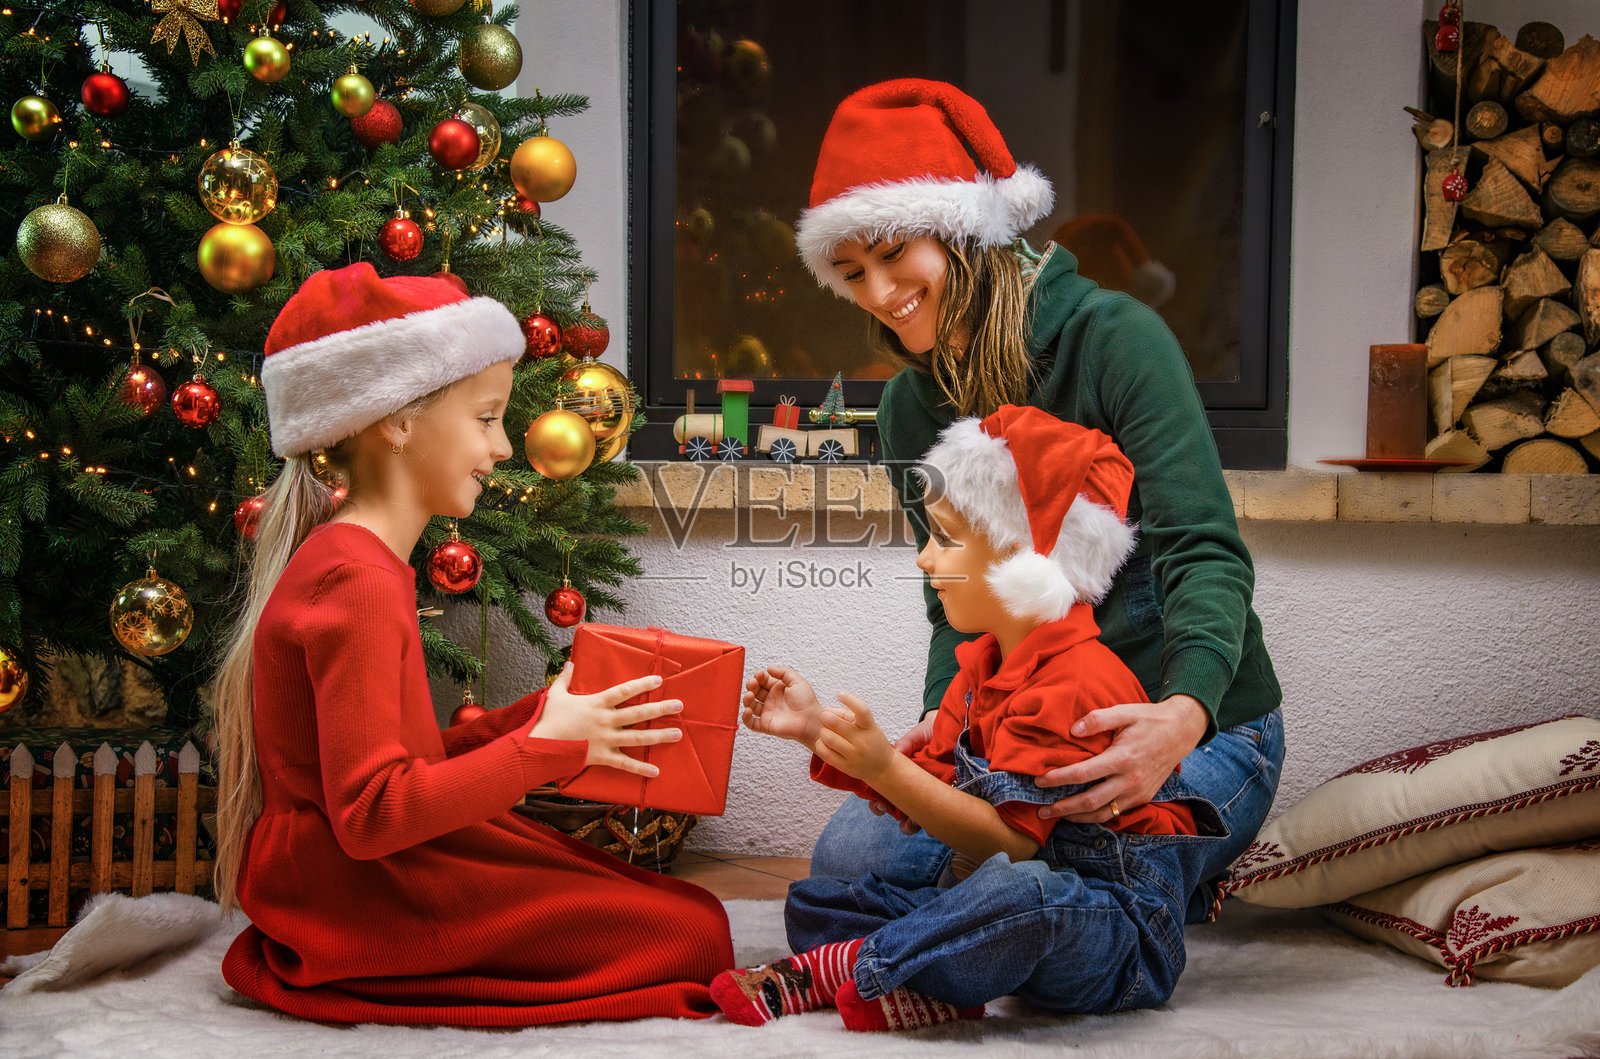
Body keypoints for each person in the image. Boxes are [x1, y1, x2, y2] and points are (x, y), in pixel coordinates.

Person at [794, 79, 1284, 925]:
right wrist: (937, 732)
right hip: (1019, 737)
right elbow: (959, 611)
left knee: (1080, 853)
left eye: (891, 253)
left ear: (961, 229)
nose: (877, 293)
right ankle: (1068, 895)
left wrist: (1180, 715)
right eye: (852, 272)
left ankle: (1106, 885)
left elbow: (1204, 549)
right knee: (849, 859)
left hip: (1196, 726)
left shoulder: (1118, 340)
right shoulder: (911, 410)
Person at [211, 263, 733, 1027]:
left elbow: (407, 760)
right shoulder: (351, 579)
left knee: (684, 912)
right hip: (355, 890)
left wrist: (541, 719)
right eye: (486, 418)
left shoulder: (361, 563)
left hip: (377, 865)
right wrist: (544, 750)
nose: (502, 449)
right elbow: (370, 815)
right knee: (691, 937)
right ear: (397, 420)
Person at [716, 407, 1227, 1030]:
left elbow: (1007, 844)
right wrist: (815, 727)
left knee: (1022, 893)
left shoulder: (1075, 681)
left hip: (1113, 934)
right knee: (815, 903)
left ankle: (854, 968)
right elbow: (929, 796)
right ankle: (928, 973)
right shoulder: (980, 666)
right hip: (1011, 906)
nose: (925, 561)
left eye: (946, 538)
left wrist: (883, 766)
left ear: (1023, 554)